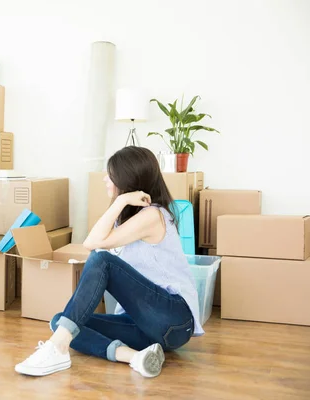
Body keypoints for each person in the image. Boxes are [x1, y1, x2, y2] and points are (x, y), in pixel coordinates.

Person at [14, 146, 203, 378]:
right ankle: (136, 357)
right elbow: (94, 240)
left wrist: (121, 200)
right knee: (60, 323)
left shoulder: (153, 215)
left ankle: (56, 348)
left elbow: (92, 244)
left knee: (101, 260)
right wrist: (122, 202)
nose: (106, 179)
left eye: (111, 175)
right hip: (146, 328)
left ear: (127, 179)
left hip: (172, 318)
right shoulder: (131, 220)